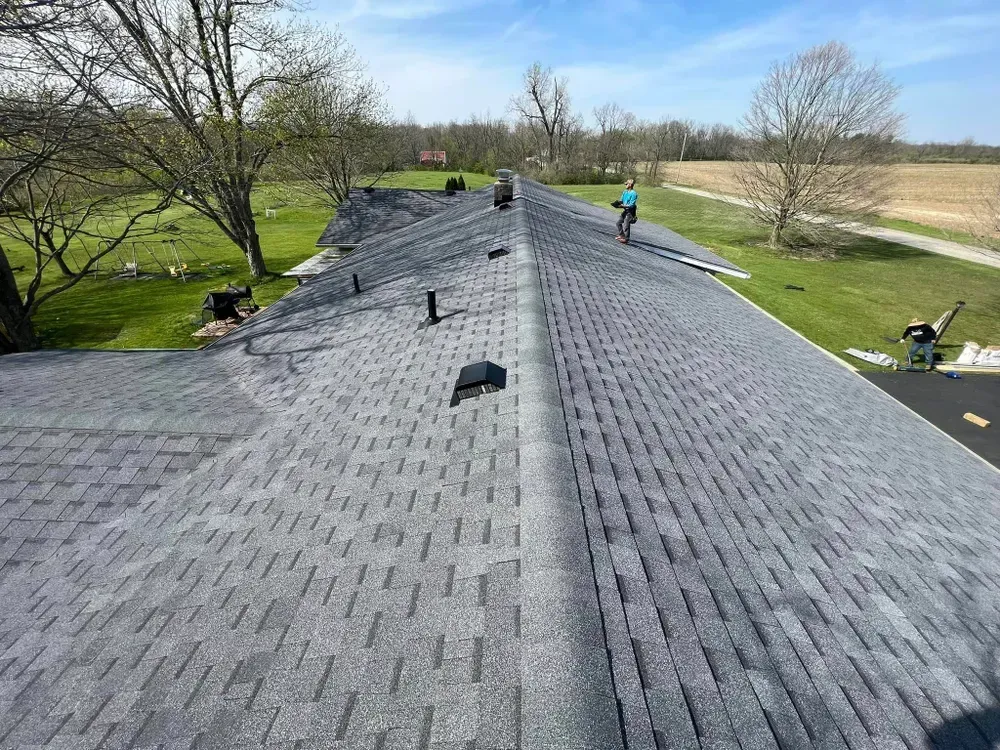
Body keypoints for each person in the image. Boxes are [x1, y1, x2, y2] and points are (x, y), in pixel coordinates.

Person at [615, 179, 638, 244]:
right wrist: (617, 204)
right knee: (618, 223)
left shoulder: (634, 194)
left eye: (626, 184)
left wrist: (623, 206)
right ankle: (621, 235)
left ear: (630, 185)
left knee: (626, 225)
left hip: (630, 211)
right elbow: (621, 200)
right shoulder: (625, 192)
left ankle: (626, 239)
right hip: (625, 210)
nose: (625, 185)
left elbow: (631, 205)